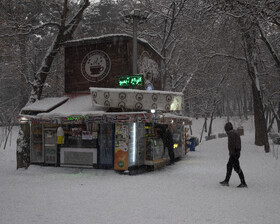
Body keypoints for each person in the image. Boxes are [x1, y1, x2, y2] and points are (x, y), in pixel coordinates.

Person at [220, 122, 248, 188]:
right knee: (229, 166)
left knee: (236, 167)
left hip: (234, 153)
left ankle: (243, 182)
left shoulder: (231, 133)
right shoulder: (234, 132)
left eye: (226, 129)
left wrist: (233, 153)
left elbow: (232, 144)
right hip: (235, 153)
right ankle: (226, 181)